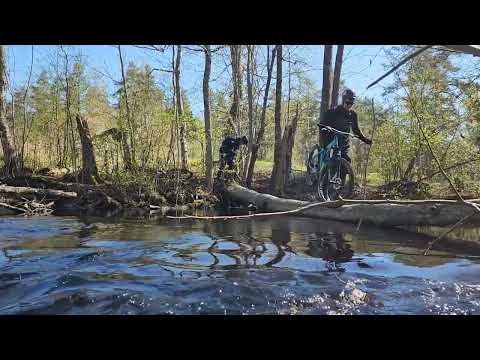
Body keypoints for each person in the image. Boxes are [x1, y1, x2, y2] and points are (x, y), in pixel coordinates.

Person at [319, 89, 372, 163]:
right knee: (327, 158)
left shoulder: (353, 115)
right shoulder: (334, 111)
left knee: (347, 161)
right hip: (331, 138)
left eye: (351, 103)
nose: (349, 105)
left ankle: (341, 174)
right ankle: (319, 166)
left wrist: (365, 140)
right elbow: (324, 122)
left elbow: (356, 130)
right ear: (343, 101)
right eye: (347, 103)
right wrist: (323, 128)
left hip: (343, 142)